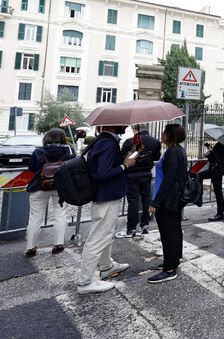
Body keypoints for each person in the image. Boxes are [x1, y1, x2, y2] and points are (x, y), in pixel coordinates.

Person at [77, 125, 139, 294]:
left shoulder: (105, 141)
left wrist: (127, 157)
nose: (126, 125)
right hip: (106, 196)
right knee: (98, 237)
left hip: (106, 196)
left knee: (106, 234)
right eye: (122, 122)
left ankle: (106, 266)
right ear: (113, 124)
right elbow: (103, 174)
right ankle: (86, 281)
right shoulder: (108, 144)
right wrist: (125, 166)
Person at [147, 124, 187, 283]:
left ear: (170, 135)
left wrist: (156, 202)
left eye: (164, 131)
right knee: (175, 229)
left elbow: (168, 180)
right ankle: (174, 259)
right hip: (174, 198)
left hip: (167, 199)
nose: (162, 134)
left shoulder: (172, 152)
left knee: (168, 233)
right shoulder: (178, 151)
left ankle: (170, 269)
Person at [25, 128, 74, 257]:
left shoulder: (38, 151)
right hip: (60, 187)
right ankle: (58, 244)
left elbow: (32, 168)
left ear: (46, 138)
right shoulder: (69, 150)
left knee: (35, 218)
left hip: (39, 186)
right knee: (60, 214)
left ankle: (31, 247)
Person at [116, 124, 161, 238]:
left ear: (135, 130)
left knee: (133, 201)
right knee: (146, 199)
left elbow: (122, 157)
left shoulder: (129, 141)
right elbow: (156, 158)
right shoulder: (155, 141)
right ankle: (144, 225)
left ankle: (131, 228)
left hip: (132, 174)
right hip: (146, 173)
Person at [197, 140, 224, 221]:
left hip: (216, 171)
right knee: (217, 190)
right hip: (219, 170)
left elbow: (214, 159)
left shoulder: (219, 146)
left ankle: (219, 213)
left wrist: (210, 154)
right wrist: (210, 148)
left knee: (217, 191)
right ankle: (199, 199)